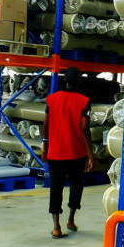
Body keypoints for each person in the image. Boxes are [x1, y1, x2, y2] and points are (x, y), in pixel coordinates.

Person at [41, 67, 94, 238]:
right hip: (77, 153)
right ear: (79, 81)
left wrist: (44, 147)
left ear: (64, 80)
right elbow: (84, 128)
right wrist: (90, 154)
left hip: (55, 153)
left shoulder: (51, 99)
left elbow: (46, 126)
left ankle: (56, 227)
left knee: (56, 189)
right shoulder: (84, 101)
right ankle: (71, 219)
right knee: (76, 186)